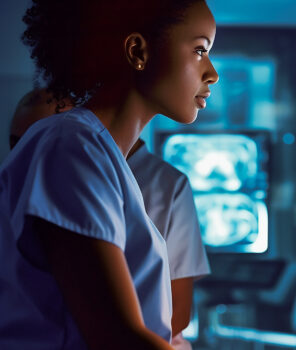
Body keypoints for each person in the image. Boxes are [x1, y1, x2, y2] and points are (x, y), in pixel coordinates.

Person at [0, 0, 218, 349]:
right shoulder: (69, 145)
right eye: (199, 50)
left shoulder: (99, 155)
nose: (212, 73)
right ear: (137, 51)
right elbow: (117, 338)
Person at [9, 88, 210, 349]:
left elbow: (172, 316)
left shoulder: (162, 184)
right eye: (19, 144)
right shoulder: (54, 157)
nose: (28, 154)